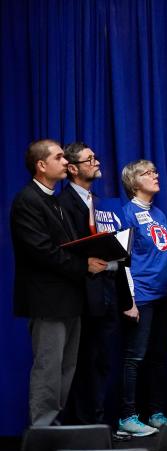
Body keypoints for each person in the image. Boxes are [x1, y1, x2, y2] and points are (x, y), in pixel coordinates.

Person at [11, 139, 108, 426]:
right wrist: (84, 265)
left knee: (66, 368)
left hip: (69, 299)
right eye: (59, 157)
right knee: (49, 368)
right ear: (41, 165)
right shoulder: (27, 200)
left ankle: (53, 429)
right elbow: (43, 252)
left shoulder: (53, 199)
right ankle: (42, 433)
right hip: (48, 301)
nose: (66, 162)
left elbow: (66, 246)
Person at [60, 142, 129, 426]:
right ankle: (84, 425)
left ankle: (97, 421)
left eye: (96, 158)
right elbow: (66, 249)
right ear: (73, 168)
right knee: (83, 362)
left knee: (101, 361)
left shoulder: (100, 203)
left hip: (106, 292)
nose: (96, 162)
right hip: (81, 294)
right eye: (90, 159)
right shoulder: (64, 203)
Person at [115, 159, 167, 436]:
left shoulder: (160, 214)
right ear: (133, 181)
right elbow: (122, 260)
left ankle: (155, 412)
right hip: (141, 295)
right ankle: (127, 416)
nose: (155, 175)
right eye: (147, 173)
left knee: (158, 357)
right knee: (135, 357)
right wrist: (128, 300)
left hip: (163, 295)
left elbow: (164, 256)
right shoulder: (126, 214)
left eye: (155, 170)